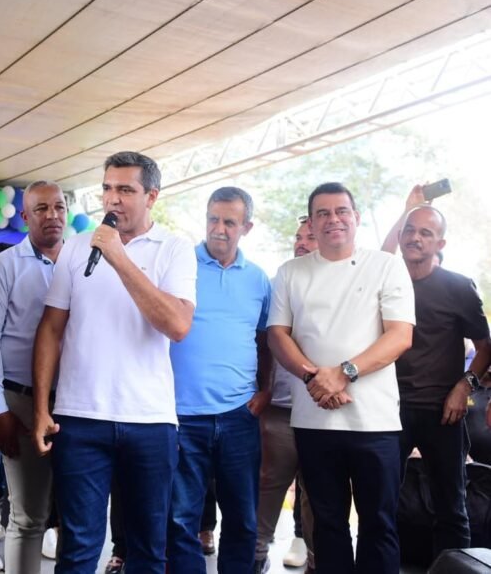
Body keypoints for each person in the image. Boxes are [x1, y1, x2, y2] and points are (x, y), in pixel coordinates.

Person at [33, 151, 197, 573]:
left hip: (150, 420)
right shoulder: (76, 247)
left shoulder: (175, 248)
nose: (112, 199)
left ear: (152, 196)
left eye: (125, 189)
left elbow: (178, 325)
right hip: (79, 417)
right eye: (107, 188)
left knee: (148, 549)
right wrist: (41, 408)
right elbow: (50, 329)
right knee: (77, 549)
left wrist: (120, 258)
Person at [268, 182, 415, 574]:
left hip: (375, 421)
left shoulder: (386, 265)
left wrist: (344, 373)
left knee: (378, 523)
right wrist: (315, 379)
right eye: (323, 213)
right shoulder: (290, 272)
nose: (333, 219)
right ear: (311, 223)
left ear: (356, 218)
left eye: (341, 211)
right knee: (327, 524)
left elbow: (400, 335)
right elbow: (278, 335)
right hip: (313, 418)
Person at [167, 186, 272, 574]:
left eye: (230, 222)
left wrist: (266, 390)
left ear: (247, 227)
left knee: (242, 518)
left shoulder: (259, 280)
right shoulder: (180, 267)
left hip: (239, 415)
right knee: (180, 519)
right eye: (213, 219)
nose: (219, 229)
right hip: (181, 415)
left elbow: (266, 340)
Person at [393, 205, 491, 558]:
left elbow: (485, 347)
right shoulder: (387, 282)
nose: (415, 238)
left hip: (444, 412)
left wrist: (464, 387)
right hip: (389, 409)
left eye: (426, 233)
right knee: (381, 503)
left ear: (440, 243)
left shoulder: (458, 286)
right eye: (410, 230)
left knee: (451, 506)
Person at [0, 180, 67, 574]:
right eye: (42, 208)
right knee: (29, 515)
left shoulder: (83, 263)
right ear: (25, 216)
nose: (52, 215)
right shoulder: (3, 266)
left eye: (59, 207)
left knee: (76, 515)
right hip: (21, 400)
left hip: (77, 401)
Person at [254, 220, 317, 574]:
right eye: (298, 237)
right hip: (279, 410)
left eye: (310, 237)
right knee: (267, 487)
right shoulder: (276, 282)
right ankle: (255, 556)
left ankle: (315, 560)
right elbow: (262, 342)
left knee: (318, 496)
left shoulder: (342, 285)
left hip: (323, 410)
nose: (302, 243)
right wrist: (263, 390)